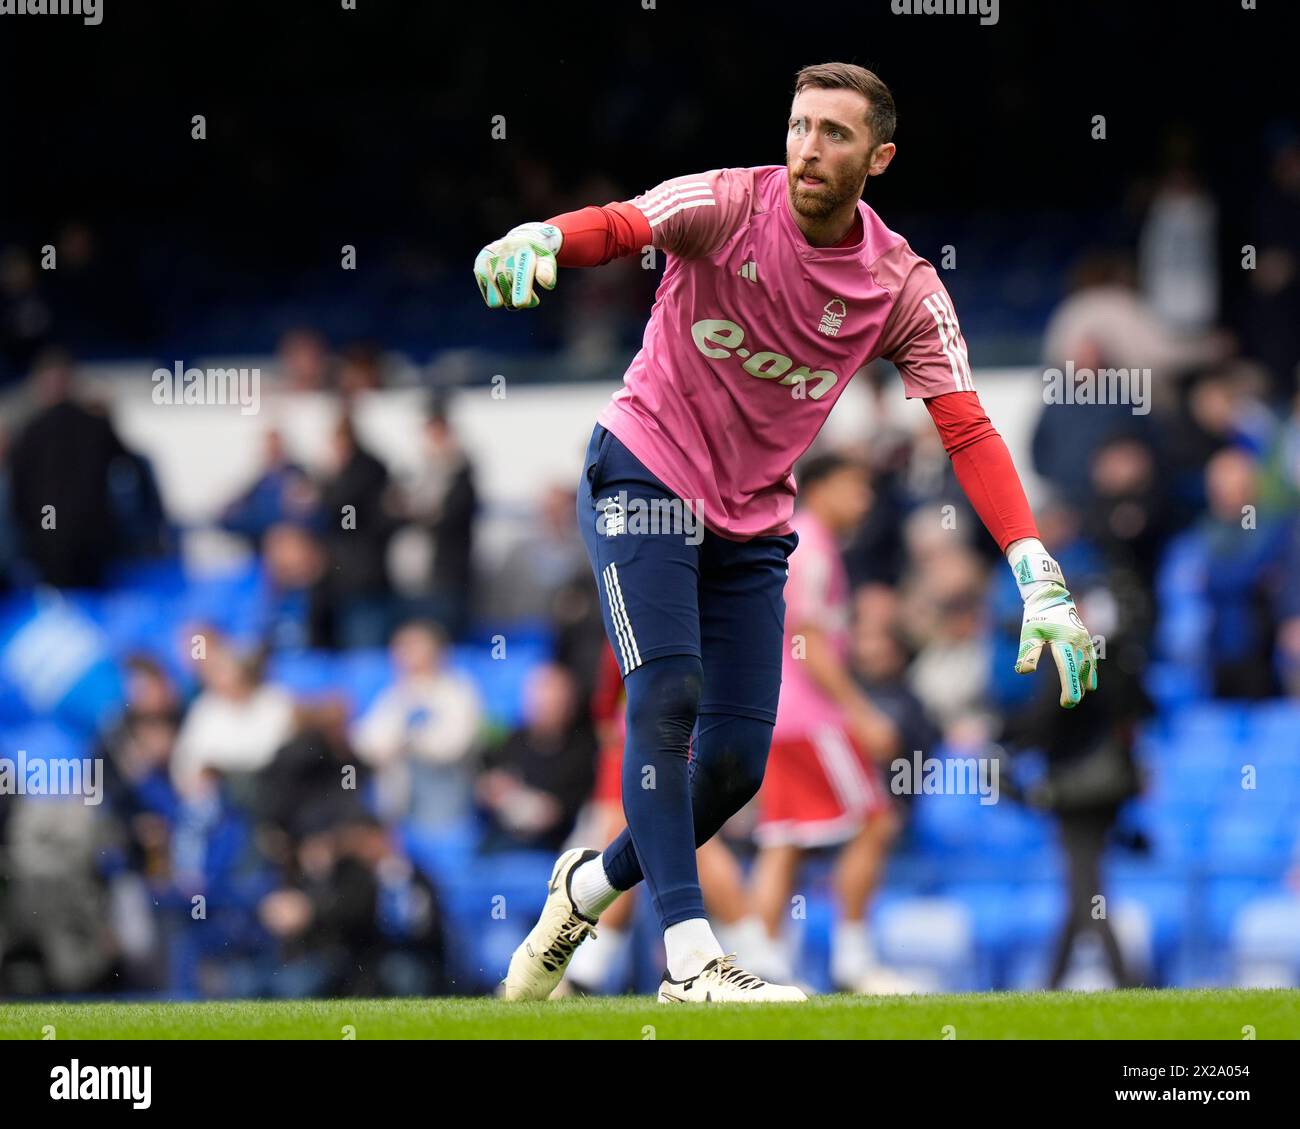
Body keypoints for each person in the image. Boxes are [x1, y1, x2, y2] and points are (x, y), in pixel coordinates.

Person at [475, 62, 1097, 1005]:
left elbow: (965, 426)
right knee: (669, 692)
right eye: (801, 126)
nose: (809, 147)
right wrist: (543, 236)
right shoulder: (728, 203)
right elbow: (625, 223)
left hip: (754, 519)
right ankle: (690, 957)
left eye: (836, 134)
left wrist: (1035, 569)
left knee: (730, 768)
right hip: (644, 471)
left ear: (878, 157)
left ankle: (586, 887)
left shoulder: (900, 286)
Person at [749, 452, 916, 994]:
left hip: (776, 715)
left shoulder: (793, 541)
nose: (863, 500)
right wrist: (860, 713)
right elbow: (811, 643)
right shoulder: (813, 547)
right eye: (853, 487)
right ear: (818, 489)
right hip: (811, 717)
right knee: (874, 821)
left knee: (784, 841)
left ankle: (758, 965)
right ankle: (855, 961)